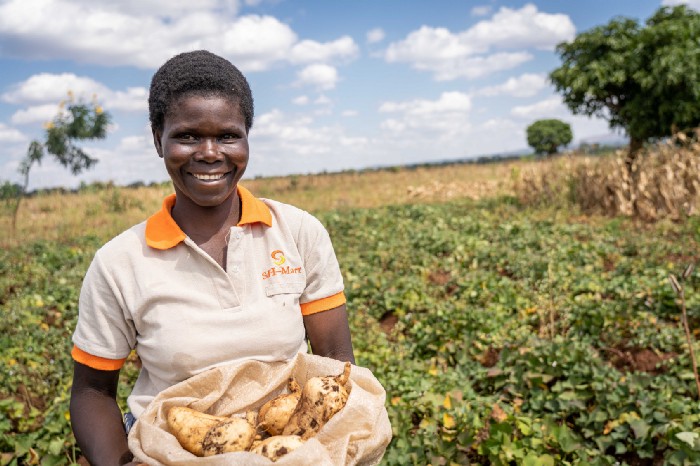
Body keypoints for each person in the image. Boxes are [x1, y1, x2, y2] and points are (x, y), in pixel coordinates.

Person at [69, 50, 355, 466]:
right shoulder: (119, 262)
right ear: (157, 139)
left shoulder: (297, 232)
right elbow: (91, 393)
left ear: (246, 139)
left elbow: (336, 360)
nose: (208, 153)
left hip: (281, 444)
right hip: (167, 451)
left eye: (227, 135)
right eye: (187, 136)